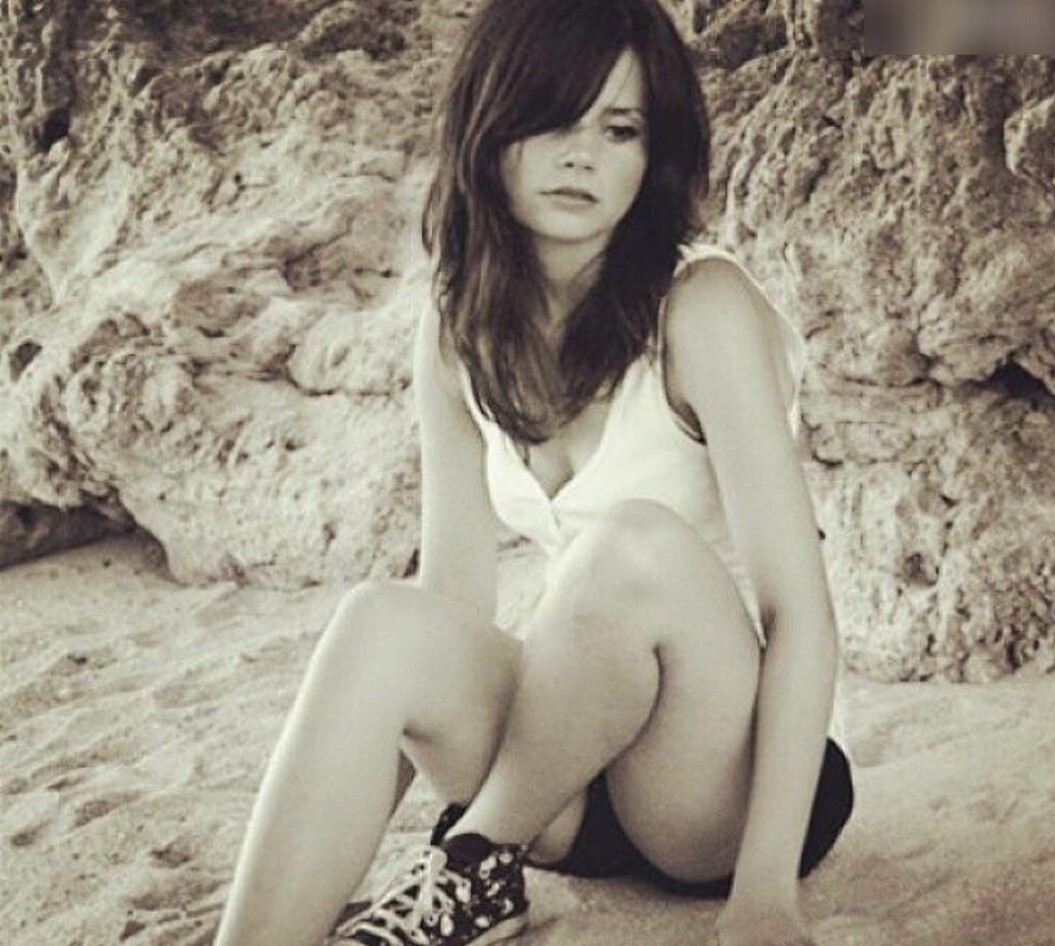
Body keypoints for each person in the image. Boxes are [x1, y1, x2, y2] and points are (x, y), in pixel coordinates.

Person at [212, 1, 854, 945]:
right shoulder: (457, 328)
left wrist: (765, 897)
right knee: (381, 621)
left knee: (629, 543)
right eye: (553, 118)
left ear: (654, 156)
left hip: (713, 786)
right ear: (491, 130)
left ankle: (472, 856)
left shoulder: (701, 308)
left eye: (619, 129)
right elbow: (454, 608)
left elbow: (802, 616)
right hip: (561, 773)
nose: (582, 155)